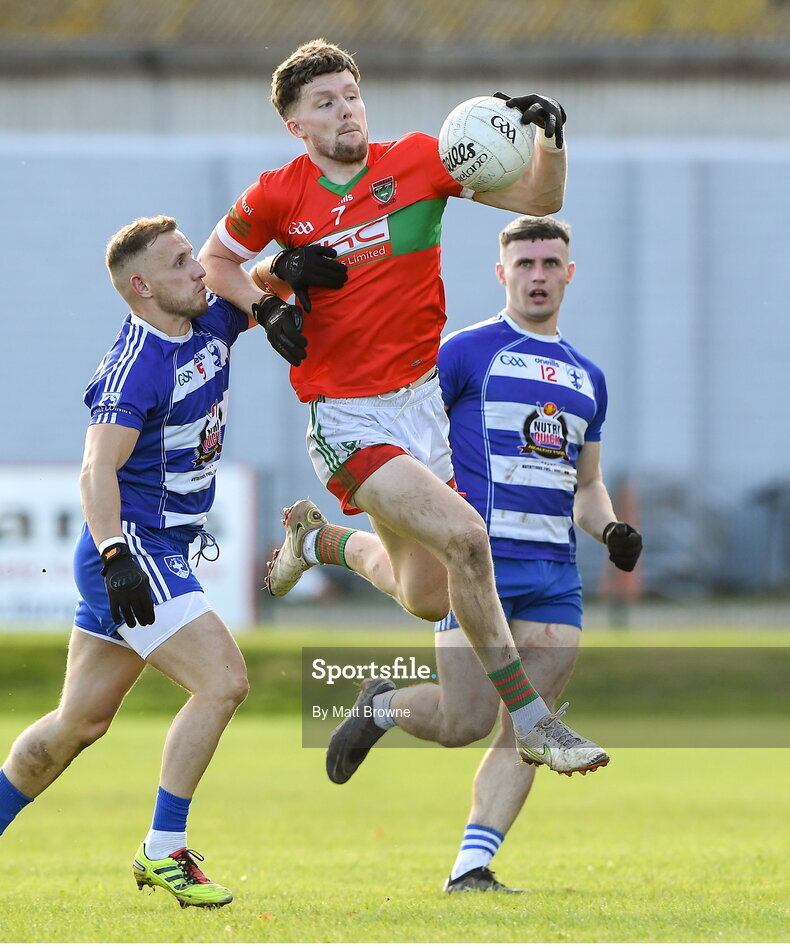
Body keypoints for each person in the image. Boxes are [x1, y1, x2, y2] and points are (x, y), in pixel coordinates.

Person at [199, 38, 607, 774]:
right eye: (325, 103)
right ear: (296, 125)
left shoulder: (418, 159)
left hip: (422, 406)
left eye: (351, 94)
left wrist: (549, 138)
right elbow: (213, 264)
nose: (346, 110)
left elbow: (541, 201)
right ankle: (535, 720)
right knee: (468, 538)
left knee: (424, 594)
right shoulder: (276, 194)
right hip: (348, 416)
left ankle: (319, 544)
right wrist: (267, 300)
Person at [0, 215, 255, 910]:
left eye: (193, 256)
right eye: (179, 264)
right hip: (132, 549)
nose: (199, 271)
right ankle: (164, 850)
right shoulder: (135, 365)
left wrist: (297, 268)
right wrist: (114, 555)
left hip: (151, 549)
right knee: (223, 682)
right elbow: (94, 468)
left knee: (79, 721)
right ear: (141, 287)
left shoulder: (207, 324)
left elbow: (261, 283)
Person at [331, 216, 643, 893]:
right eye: (524, 263)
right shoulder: (463, 352)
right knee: (462, 721)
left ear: (569, 272)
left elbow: (587, 485)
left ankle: (471, 866)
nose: (538, 275)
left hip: (555, 577)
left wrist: (611, 529)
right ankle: (381, 705)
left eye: (550, 263)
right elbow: (406, 443)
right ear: (502, 273)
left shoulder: (589, 378)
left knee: (532, 727)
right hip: (479, 572)